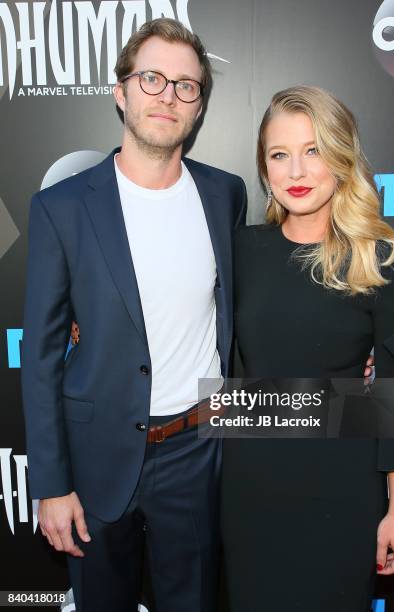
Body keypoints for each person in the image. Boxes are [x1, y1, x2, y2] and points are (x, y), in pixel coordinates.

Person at [21, 18, 247, 612]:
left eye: (186, 85)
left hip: (197, 451)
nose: (167, 96)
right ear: (121, 92)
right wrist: (50, 484)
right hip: (95, 457)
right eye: (152, 79)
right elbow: (41, 357)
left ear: (198, 108)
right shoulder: (61, 208)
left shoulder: (226, 195)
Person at [220, 86, 394, 612]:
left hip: (343, 490)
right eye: (280, 155)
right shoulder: (241, 252)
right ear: (265, 168)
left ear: (341, 158)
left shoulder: (381, 260)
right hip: (249, 489)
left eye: (313, 150)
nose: (296, 170)